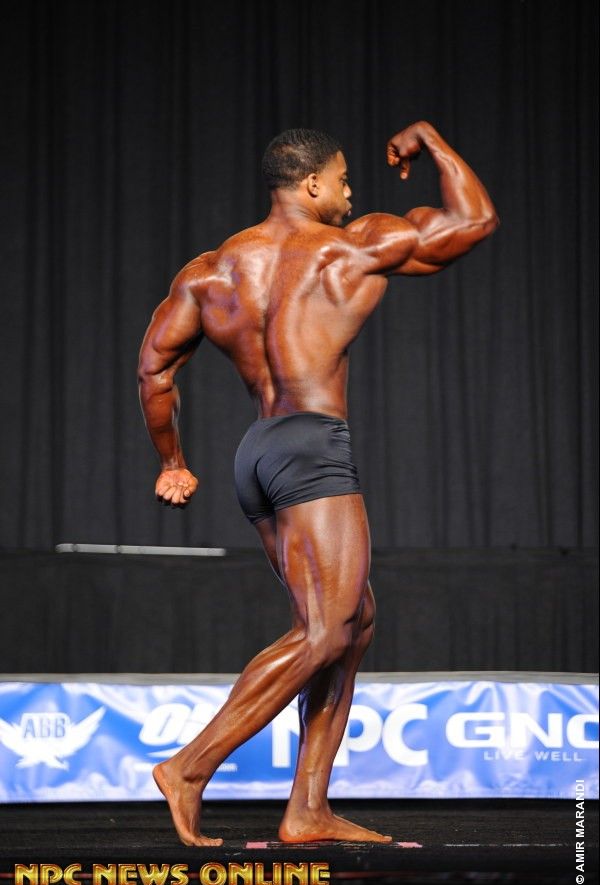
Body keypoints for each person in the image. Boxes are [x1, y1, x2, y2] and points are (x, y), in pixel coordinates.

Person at [138, 121, 498, 847]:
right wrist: (430, 140)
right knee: (326, 629)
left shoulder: (209, 272)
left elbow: (155, 370)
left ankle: (307, 809)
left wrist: (172, 460)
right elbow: (473, 221)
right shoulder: (349, 247)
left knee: (353, 622)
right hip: (311, 446)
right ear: (310, 184)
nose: (350, 192)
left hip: (258, 454)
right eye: (341, 179)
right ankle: (189, 767)